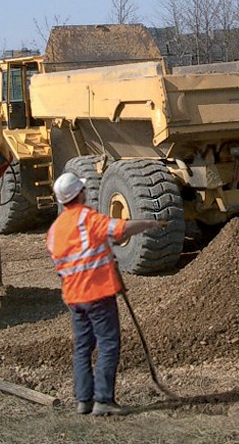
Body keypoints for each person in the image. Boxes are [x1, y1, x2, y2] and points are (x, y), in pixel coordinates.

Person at [47, 172, 166, 416]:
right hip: (98, 294)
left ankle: (84, 400)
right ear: (79, 194)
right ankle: (103, 400)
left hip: (73, 298)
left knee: (83, 346)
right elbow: (120, 229)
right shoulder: (86, 218)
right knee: (109, 343)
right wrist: (151, 223)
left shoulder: (55, 230)